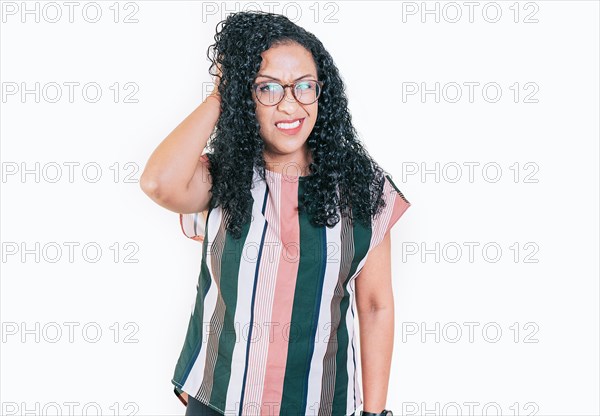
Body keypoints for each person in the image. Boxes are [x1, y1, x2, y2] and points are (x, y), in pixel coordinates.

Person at [140, 11, 411, 416]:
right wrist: (221, 93)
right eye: (267, 88)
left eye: (305, 86)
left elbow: (375, 306)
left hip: (318, 404)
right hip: (218, 398)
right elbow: (158, 183)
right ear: (244, 97)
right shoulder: (221, 178)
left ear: (324, 92)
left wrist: (375, 413)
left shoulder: (362, 188)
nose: (290, 104)